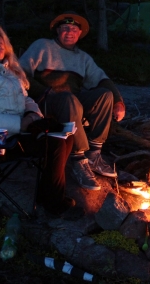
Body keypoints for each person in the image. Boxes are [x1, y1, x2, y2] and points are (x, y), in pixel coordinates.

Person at [0, 26, 81, 218]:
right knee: (54, 144)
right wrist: (20, 123)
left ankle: (47, 194)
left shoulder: (7, 71)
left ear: (6, 49)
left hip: (14, 134)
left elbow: (26, 99)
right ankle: (53, 202)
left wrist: (34, 115)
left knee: (65, 137)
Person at [19, 12, 125, 190]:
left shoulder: (82, 58)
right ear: (57, 31)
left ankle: (94, 155)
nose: (70, 32)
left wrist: (118, 101)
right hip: (45, 102)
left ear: (80, 33)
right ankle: (78, 158)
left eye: (74, 29)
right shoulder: (42, 46)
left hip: (72, 103)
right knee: (69, 100)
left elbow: (101, 78)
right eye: (65, 28)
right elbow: (19, 72)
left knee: (105, 95)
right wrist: (42, 90)